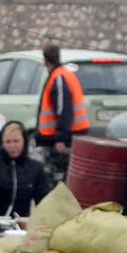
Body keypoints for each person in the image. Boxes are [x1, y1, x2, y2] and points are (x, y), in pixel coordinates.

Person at [0, 120, 47, 240]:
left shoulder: (35, 168)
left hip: (20, 226)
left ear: (24, 141)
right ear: (2, 143)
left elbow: (44, 201)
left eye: (16, 141)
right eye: (8, 142)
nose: (12, 146)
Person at [35, 41, 90, 183]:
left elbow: (64, 110)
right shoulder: (66, 74)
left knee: (56, 182)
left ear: (45, 60)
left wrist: (61, 138)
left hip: (61, 141)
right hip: (72, 136)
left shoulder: (58, 78)